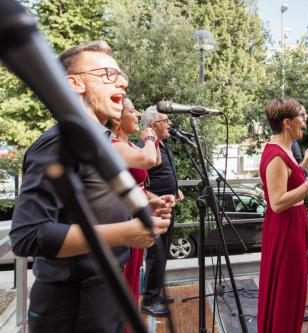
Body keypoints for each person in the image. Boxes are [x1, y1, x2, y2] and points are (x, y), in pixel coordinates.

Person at [9, 41, 171, 332]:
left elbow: (87, 201)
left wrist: (140, 205)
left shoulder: (98, 140)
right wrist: (126, 233)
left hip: (102, 292)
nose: (122, 81)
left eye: (121, 76)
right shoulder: (61, 141)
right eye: (108, 74)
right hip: (71, 304)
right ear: (74, 84)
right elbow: (27, 235)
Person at [257, 98, 308, 333]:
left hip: (292, 225)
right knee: (287, 287)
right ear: (287, 122)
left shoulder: (284, 151)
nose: (306, 119)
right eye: (302, 115)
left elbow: (287, 180)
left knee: (291, 287)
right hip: (285, 227)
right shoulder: (277, 156)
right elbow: (277, 202)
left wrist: (303, 165)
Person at [107, 97, 162, 308]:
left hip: (137, 213)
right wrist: (148, 138)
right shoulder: (113, 144)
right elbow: (148, 160)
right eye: (133, 110)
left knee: (133, 279)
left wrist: (154, 199)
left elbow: (154, 162)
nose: (138, 114)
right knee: (124, 279)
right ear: (118, 119)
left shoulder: (128, 145)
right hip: (123, 218)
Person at [139, 105, 184, 317]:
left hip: (167, 205)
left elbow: (163, 173)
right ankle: (149, 300)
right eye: (165, 121)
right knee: (155, 254)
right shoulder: (145, 146)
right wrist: (156, 200)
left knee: (163, 252)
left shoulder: (161, 144)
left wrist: (176, 189)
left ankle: (155, 293)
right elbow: (140, 181)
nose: (169, 124)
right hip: (156, 209)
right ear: (154, 124)